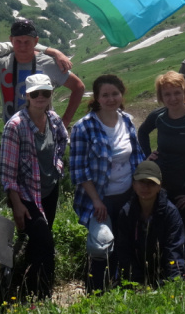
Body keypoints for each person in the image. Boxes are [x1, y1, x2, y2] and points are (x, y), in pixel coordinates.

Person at [69, 75, 146, 293]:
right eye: (105, 95)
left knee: (126, 241)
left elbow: (136, 156)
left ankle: (123, 285)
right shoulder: (83, 127)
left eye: (115, 94)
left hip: (127, 194)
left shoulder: (127, 120)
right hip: (99, 198)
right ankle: (96, 291)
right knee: (101, 244)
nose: (111, 99)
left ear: (122, 95)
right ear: (97, 98)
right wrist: (96, 201)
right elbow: (78, 170)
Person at [137, 71, 185, 271]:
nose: (172, 98)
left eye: (177, 93)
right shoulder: (159, 116)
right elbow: (142, 132)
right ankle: (161, 274)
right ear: (161, 97)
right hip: (160, 189)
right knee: (161, 234)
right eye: (167, 94)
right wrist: (148, 155)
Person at [0, 74, 69, 300]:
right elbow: (7, 171)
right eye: (35, 93)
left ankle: (26, 285)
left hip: (49, 190)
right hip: (27, 195)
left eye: (45, 93)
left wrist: (57, 165)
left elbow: (61, 141)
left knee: (40, 241)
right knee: (45, 242)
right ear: (26, 95)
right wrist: (17, 204)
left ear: (51, 95)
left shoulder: (53, 119)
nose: (40, 97)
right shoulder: (15, 126)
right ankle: (43, 295)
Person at [0, 18, 85, 127]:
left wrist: (65, 121)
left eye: (27, 42)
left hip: (44, 132)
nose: (22, 46)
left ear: (36, 41)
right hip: (11, 132)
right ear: (11, 40)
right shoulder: (1, 64)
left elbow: (78, 87)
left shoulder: (49, 64)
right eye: (18, 42)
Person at [114, 161, 185, 286]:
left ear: (160, 186)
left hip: (164, 274)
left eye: (151, 183)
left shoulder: (170, 213)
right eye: (141, 182)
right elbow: (124, 251)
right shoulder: (126, 213)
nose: (146, 187)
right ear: (133, 184)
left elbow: (174, 250)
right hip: (136, 276)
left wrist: (173, 284)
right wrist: (137, 282)